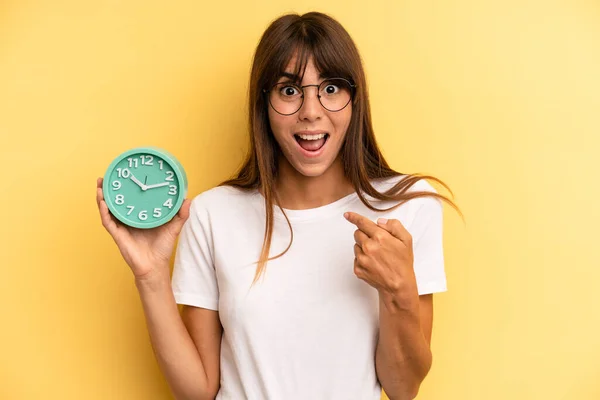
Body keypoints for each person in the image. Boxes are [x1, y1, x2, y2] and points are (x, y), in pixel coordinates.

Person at [96, 11, 460, 400]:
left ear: (356, 100)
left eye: (331, 88)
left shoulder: (407, 208)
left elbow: (403, 388)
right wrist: (150, 276)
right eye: (289, 91)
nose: (311, 111)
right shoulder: (212, 214)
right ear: (264, 104)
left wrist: (399, 290)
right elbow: (197, 391)